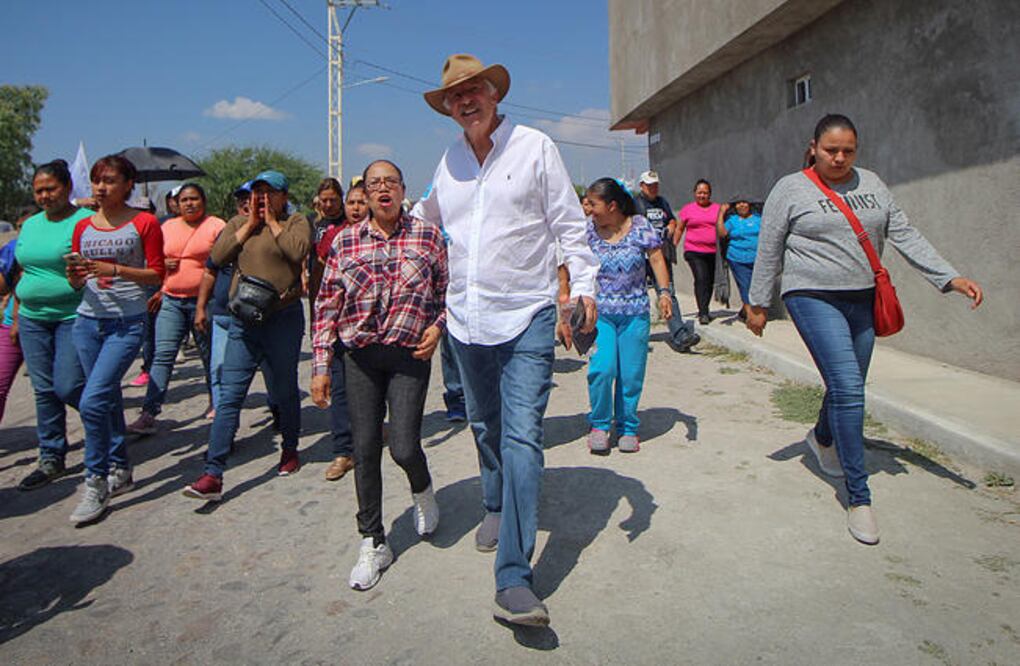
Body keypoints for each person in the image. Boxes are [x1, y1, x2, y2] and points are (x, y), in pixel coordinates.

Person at [413, 53, 599, 626]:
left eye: (475, 89)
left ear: (494, 94)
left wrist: (583, 287)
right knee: (483, 423)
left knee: (522, 436)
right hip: (466, 319)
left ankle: (514, 577)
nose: (465, 100)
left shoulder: (535, 147)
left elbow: (569, 224)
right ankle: (494, 502)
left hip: (527, 313)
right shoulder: (448, 161)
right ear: (448, 108)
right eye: (455, 95)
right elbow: (425, 220)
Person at [746, 114, 984, 545]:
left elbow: (905, 233)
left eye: (848, 151)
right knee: (849, 388)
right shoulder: (790, 188)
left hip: (862, 299)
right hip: (811, 295)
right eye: (831, 150)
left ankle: (822, 438)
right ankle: (859, 497)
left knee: (847, 384)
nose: (839, 158)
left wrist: (948, 277)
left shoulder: (871, 184)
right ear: (813, 148)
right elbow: (769, 246)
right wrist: (758, 303)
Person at [312, 159, 448, 591]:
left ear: (403, 190)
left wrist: (437, 327)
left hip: (410, 355)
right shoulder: (345, 241)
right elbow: (326, 305)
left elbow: (446, 292)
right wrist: (320, 366)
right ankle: (372, 540)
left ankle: (422, 490)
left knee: (404, 446)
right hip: (360, 357)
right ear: (365, 194)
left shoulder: (427, 236)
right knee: (365, 448)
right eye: (375, 184)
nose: (383, 189)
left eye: (391, 182)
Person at [183, 170, 310, 501]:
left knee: (284, 389)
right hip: (243, 322)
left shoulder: (296, 222)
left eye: (269, 192)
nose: (262, 198)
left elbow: (297, 252)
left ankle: (290, 448)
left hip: (282, 319)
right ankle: (213, 473)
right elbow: (217, 257)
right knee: (230, 394)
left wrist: (272, 223)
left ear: (284, 196)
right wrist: (250, 224)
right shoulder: (237, 224)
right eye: (257, 192)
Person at [66, 154, 165, 524]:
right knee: (104, 399)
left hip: (126, 323)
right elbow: (76, 278)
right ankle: (120, 469)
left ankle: (95, 481)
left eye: (109, 181)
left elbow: (156, 274)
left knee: (92, 401)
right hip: (88, 321)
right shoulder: (83, 226)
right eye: (97, 181)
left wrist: (116, 269)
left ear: (127, 186)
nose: (101, 188)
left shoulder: (144, 223)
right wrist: (75, 276)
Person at [12, 160, 91, 490]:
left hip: (74, 315)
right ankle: (51, 456)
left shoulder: (85, 221)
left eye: (51, 189)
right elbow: (23, 271)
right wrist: (17, 314)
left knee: (68, 385)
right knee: (43, 390)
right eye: (38, 191)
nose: (44, 196)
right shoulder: (30, 225)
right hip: (33, 318)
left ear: (67, 187)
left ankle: (106, 425)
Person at [126, 184, 225, 433]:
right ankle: (149, 413)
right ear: (176, 204)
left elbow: (224, 264)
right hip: (171, 300)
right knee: (163, 355)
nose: (189, 204)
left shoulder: (216, 226)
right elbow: (153, 261)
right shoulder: (167, 227)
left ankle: (217, 403)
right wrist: (162, 271)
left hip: (205, 301)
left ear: (204, 201)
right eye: (184, 200)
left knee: (209, 355)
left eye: (194, 199)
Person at [585, 178, 673, 454]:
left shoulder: (640, 226)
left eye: (593, 204)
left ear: (612, 205)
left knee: (631, 374)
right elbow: (572, 262)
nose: (588, 209)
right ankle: (599, 425)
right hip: (601, 315)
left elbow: (656, 258)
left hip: (635, 313)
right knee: (602, 369)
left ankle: (627, 427)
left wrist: (664, 293)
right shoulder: (588, 230)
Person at [315, 182, 369, 481]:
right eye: (352, 203)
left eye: (362, 202)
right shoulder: (336, 238)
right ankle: (343, 451)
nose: (356, 208)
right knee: (340, 390)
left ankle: (372, 433)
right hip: (339, 328)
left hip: (372, 332)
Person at [676, 179, 721, 324]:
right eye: (700, 192)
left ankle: (705, 308)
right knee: (701, 278)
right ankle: (703, 312)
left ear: (710, 194)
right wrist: (673, 245)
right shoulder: (688, 209)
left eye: (705, 193)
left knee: (710, 281)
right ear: (695, 193)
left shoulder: (717, 209)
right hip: (693, 250)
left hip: (713, 252)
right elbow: (679, 228)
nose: (702, 195)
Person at [715, 196, 761, 319]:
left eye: (744, 202)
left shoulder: (758, 219)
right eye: (738, 203)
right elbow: (722, 233)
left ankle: (745, 311)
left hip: (757, 259)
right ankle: (750, 316)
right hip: (737, 258)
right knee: (745, 286)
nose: (741, 205)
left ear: (749, 205)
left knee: (756, 286)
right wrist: (721, 213)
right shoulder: (732, 220)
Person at [634, 170, 678, 292]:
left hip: (662, 253)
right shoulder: (634, 203)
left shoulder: (662, 202)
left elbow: (671, 219)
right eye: (650, 185)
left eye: (655, 185)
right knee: (639, 291)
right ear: (642, 185)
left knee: (667, 290)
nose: (653, 188)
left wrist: (671, 226)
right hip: (642, 255)